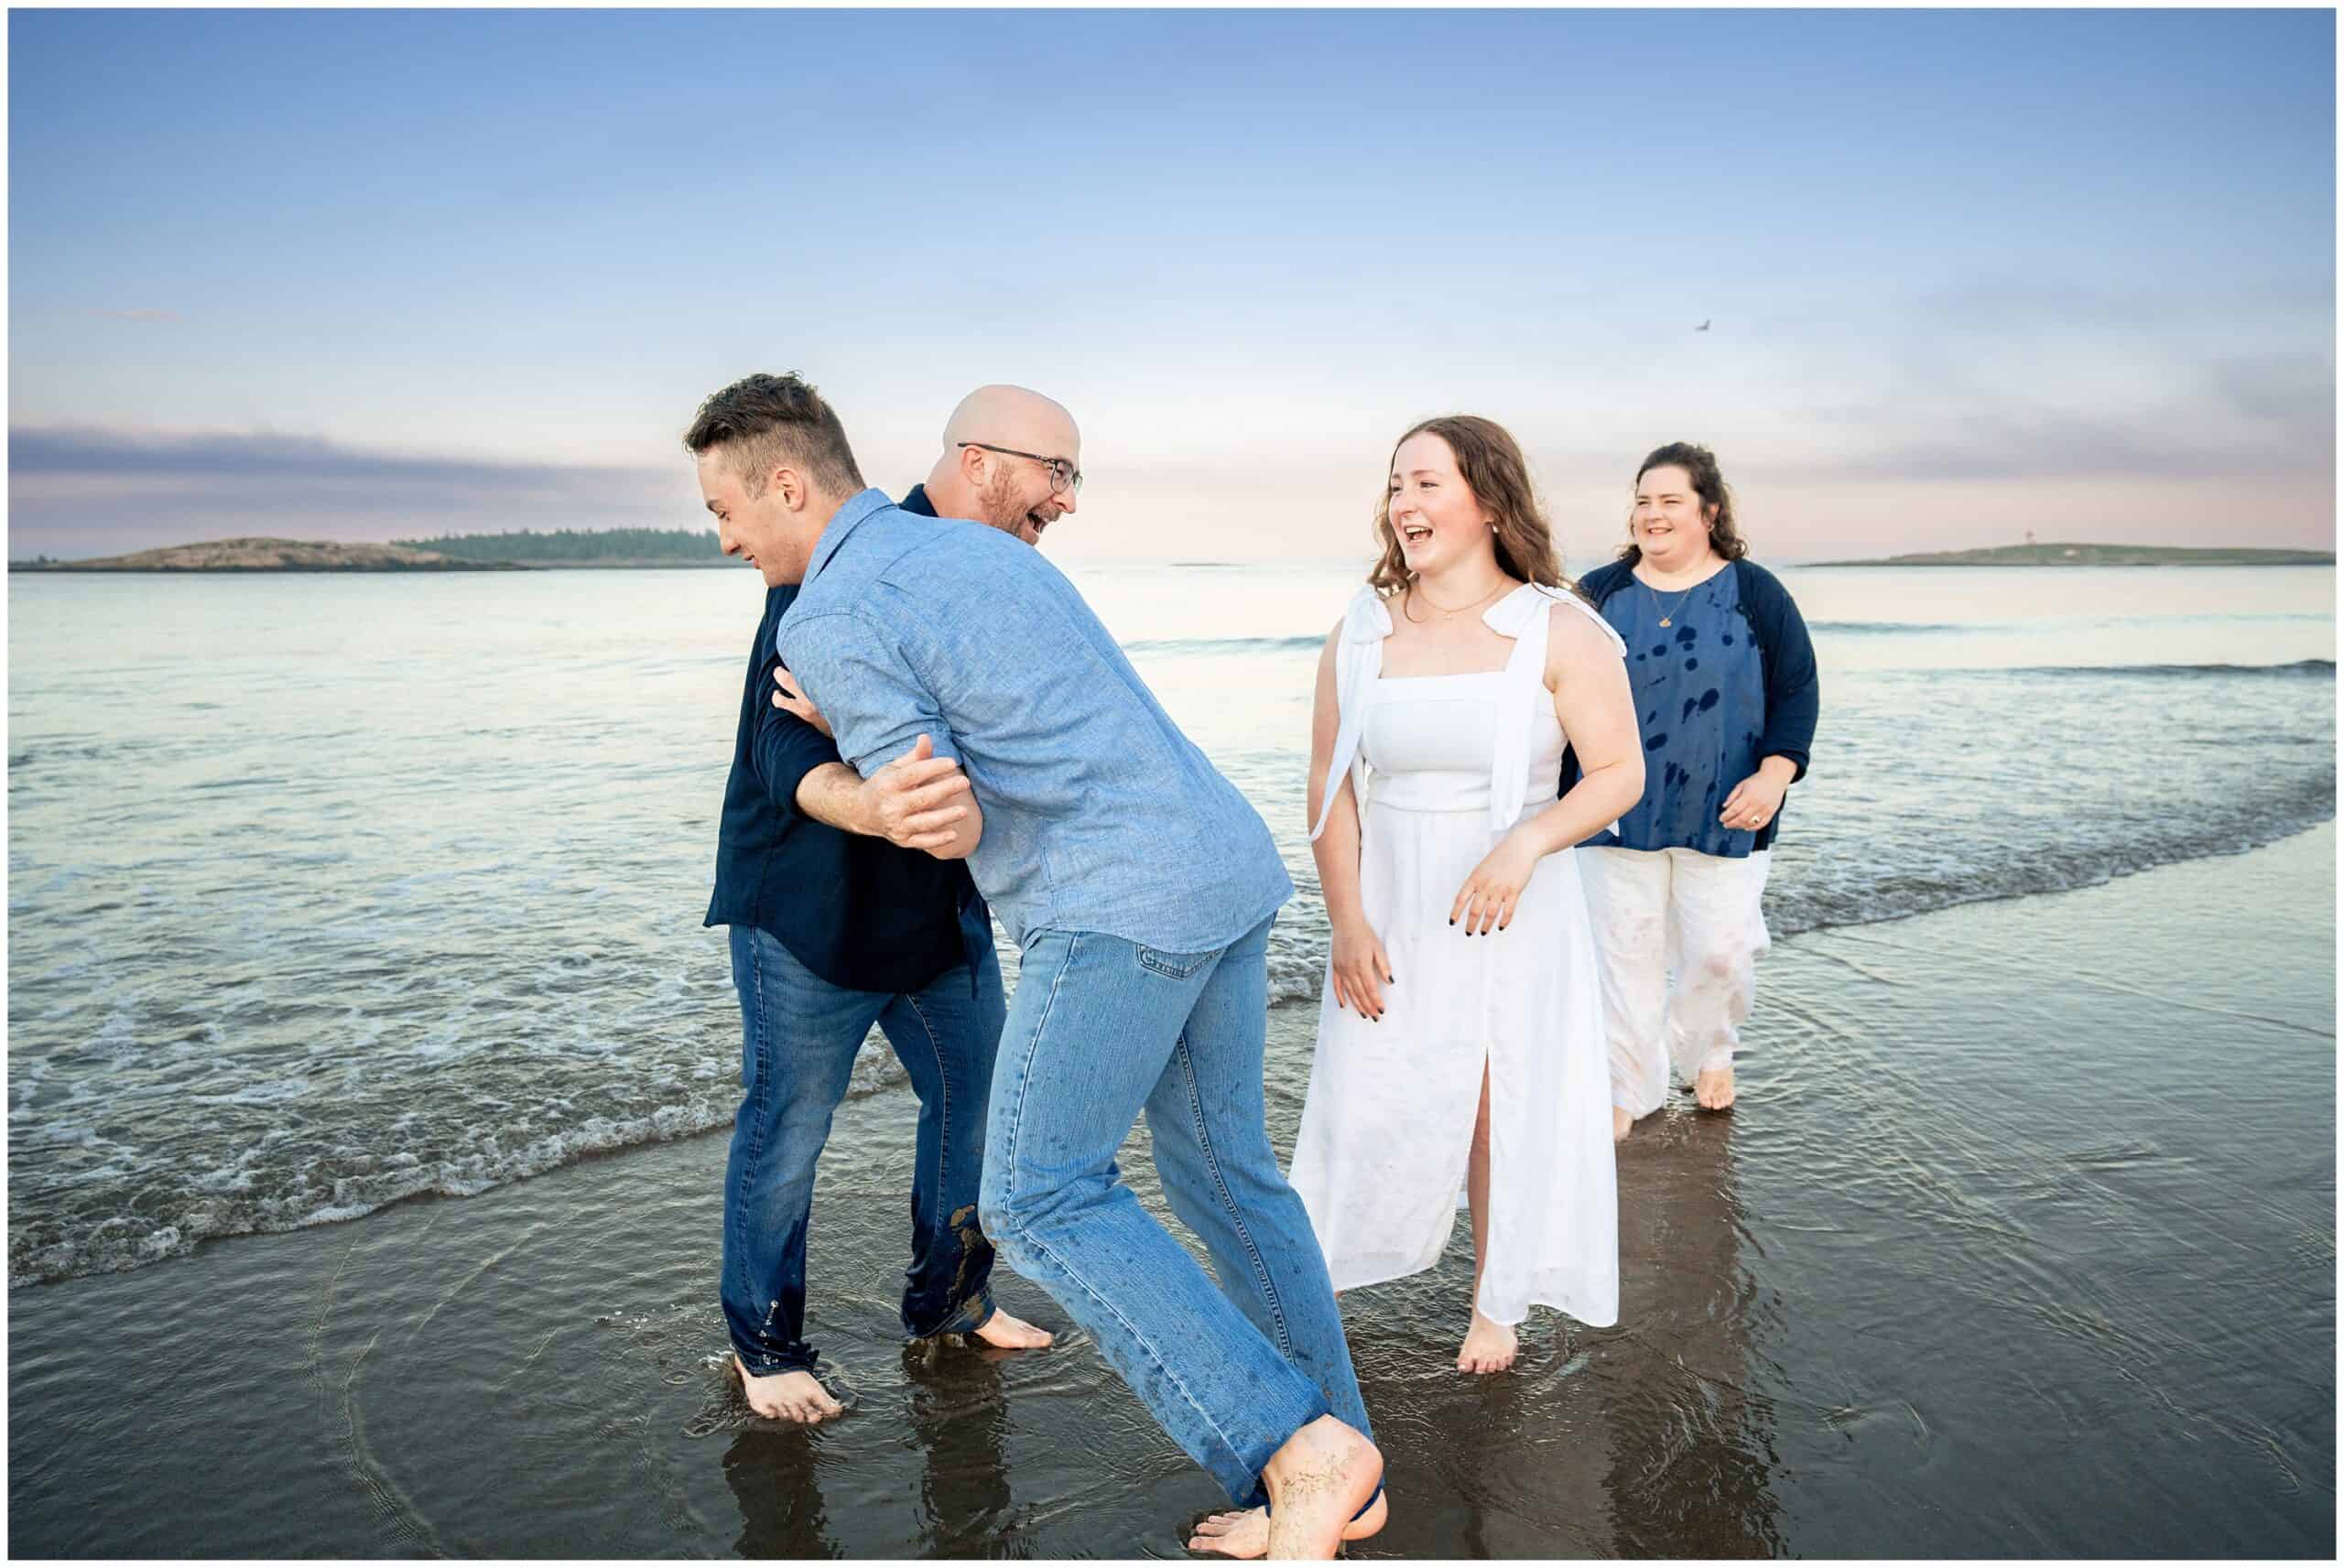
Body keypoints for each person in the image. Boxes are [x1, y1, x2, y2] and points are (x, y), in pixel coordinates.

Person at [691, 371, 1384, 1559]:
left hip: (1114, 907)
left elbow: (945, 821)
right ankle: (1341, 1470)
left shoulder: (828, 614)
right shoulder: (984, 551)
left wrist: (875, 786)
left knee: (1041, 1190)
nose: (723, 538)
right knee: (1229, 1174)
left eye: (725, 510)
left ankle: (1294, 1446)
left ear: (789, 484)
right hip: (1223, 864)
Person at [692, 378, 1053, 1429]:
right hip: (806, 916)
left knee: (974, 1104)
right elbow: (777, 744)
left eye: (723, 512)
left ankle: (948, 1303)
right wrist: (874, 796)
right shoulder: (831, 578)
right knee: (788, 1126)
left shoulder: (981, 575)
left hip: (938, 910)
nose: (1066, 500)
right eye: (1055, 476)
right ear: (985, 466)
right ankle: (764, 1345)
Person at [1566, 442, 1819, 1142]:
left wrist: (1775, 774)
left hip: (1728, 809)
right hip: (1613, 811)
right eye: (1643, 501)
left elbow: (1797, 689)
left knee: (1718, 953)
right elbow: (1551, 688)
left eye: (1670, 501)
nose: (1653, 513)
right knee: (1625, 953)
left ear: (1709, 511)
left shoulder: (1755, 591)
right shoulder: (1597, 593)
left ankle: (1710, 1049)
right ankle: (1632, 1085)